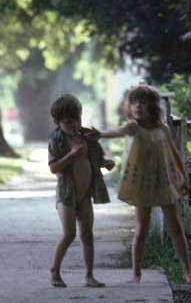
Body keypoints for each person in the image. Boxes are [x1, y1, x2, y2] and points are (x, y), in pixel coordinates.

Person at [97, 85, 191, 284]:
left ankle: (188, 271)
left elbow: (175, 153)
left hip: (164, 182)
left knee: (175, 227)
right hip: (142, 183)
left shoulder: (163, 129)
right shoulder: (133, 127)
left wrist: (184, 176)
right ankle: (136, 273)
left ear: (152, 105)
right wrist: (98, 134)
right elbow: (115, 132)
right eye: (133, 102)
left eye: (142, 102)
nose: (137, 106)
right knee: (142, 228)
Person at [47, 94, 115, 288]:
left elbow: (96, 158)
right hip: (66, 195)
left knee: (87, 234)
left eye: (76, 119)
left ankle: (89, 276)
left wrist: (105, 163)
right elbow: (53, 168)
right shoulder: (56, 139)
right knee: (69, 234)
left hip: (85, 195)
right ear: (58, 121)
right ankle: (55, 271)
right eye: (68, 122)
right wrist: (71, 155)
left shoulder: (87, 136)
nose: (73, 124)